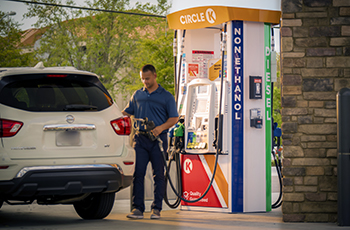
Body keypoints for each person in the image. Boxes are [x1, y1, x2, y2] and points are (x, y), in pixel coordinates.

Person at [122, 64, 178, 219]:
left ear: (154, 75)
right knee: (138, 174)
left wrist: (160, 128)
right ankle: (137, 209)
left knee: (158, 175)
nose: (145, 82)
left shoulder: (166, 96)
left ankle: (156, 209)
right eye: (142, 79)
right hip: (140, 139)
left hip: (158, 141)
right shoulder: (137, 95)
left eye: (147, 78)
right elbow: (127, 112)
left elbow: (174, 118)